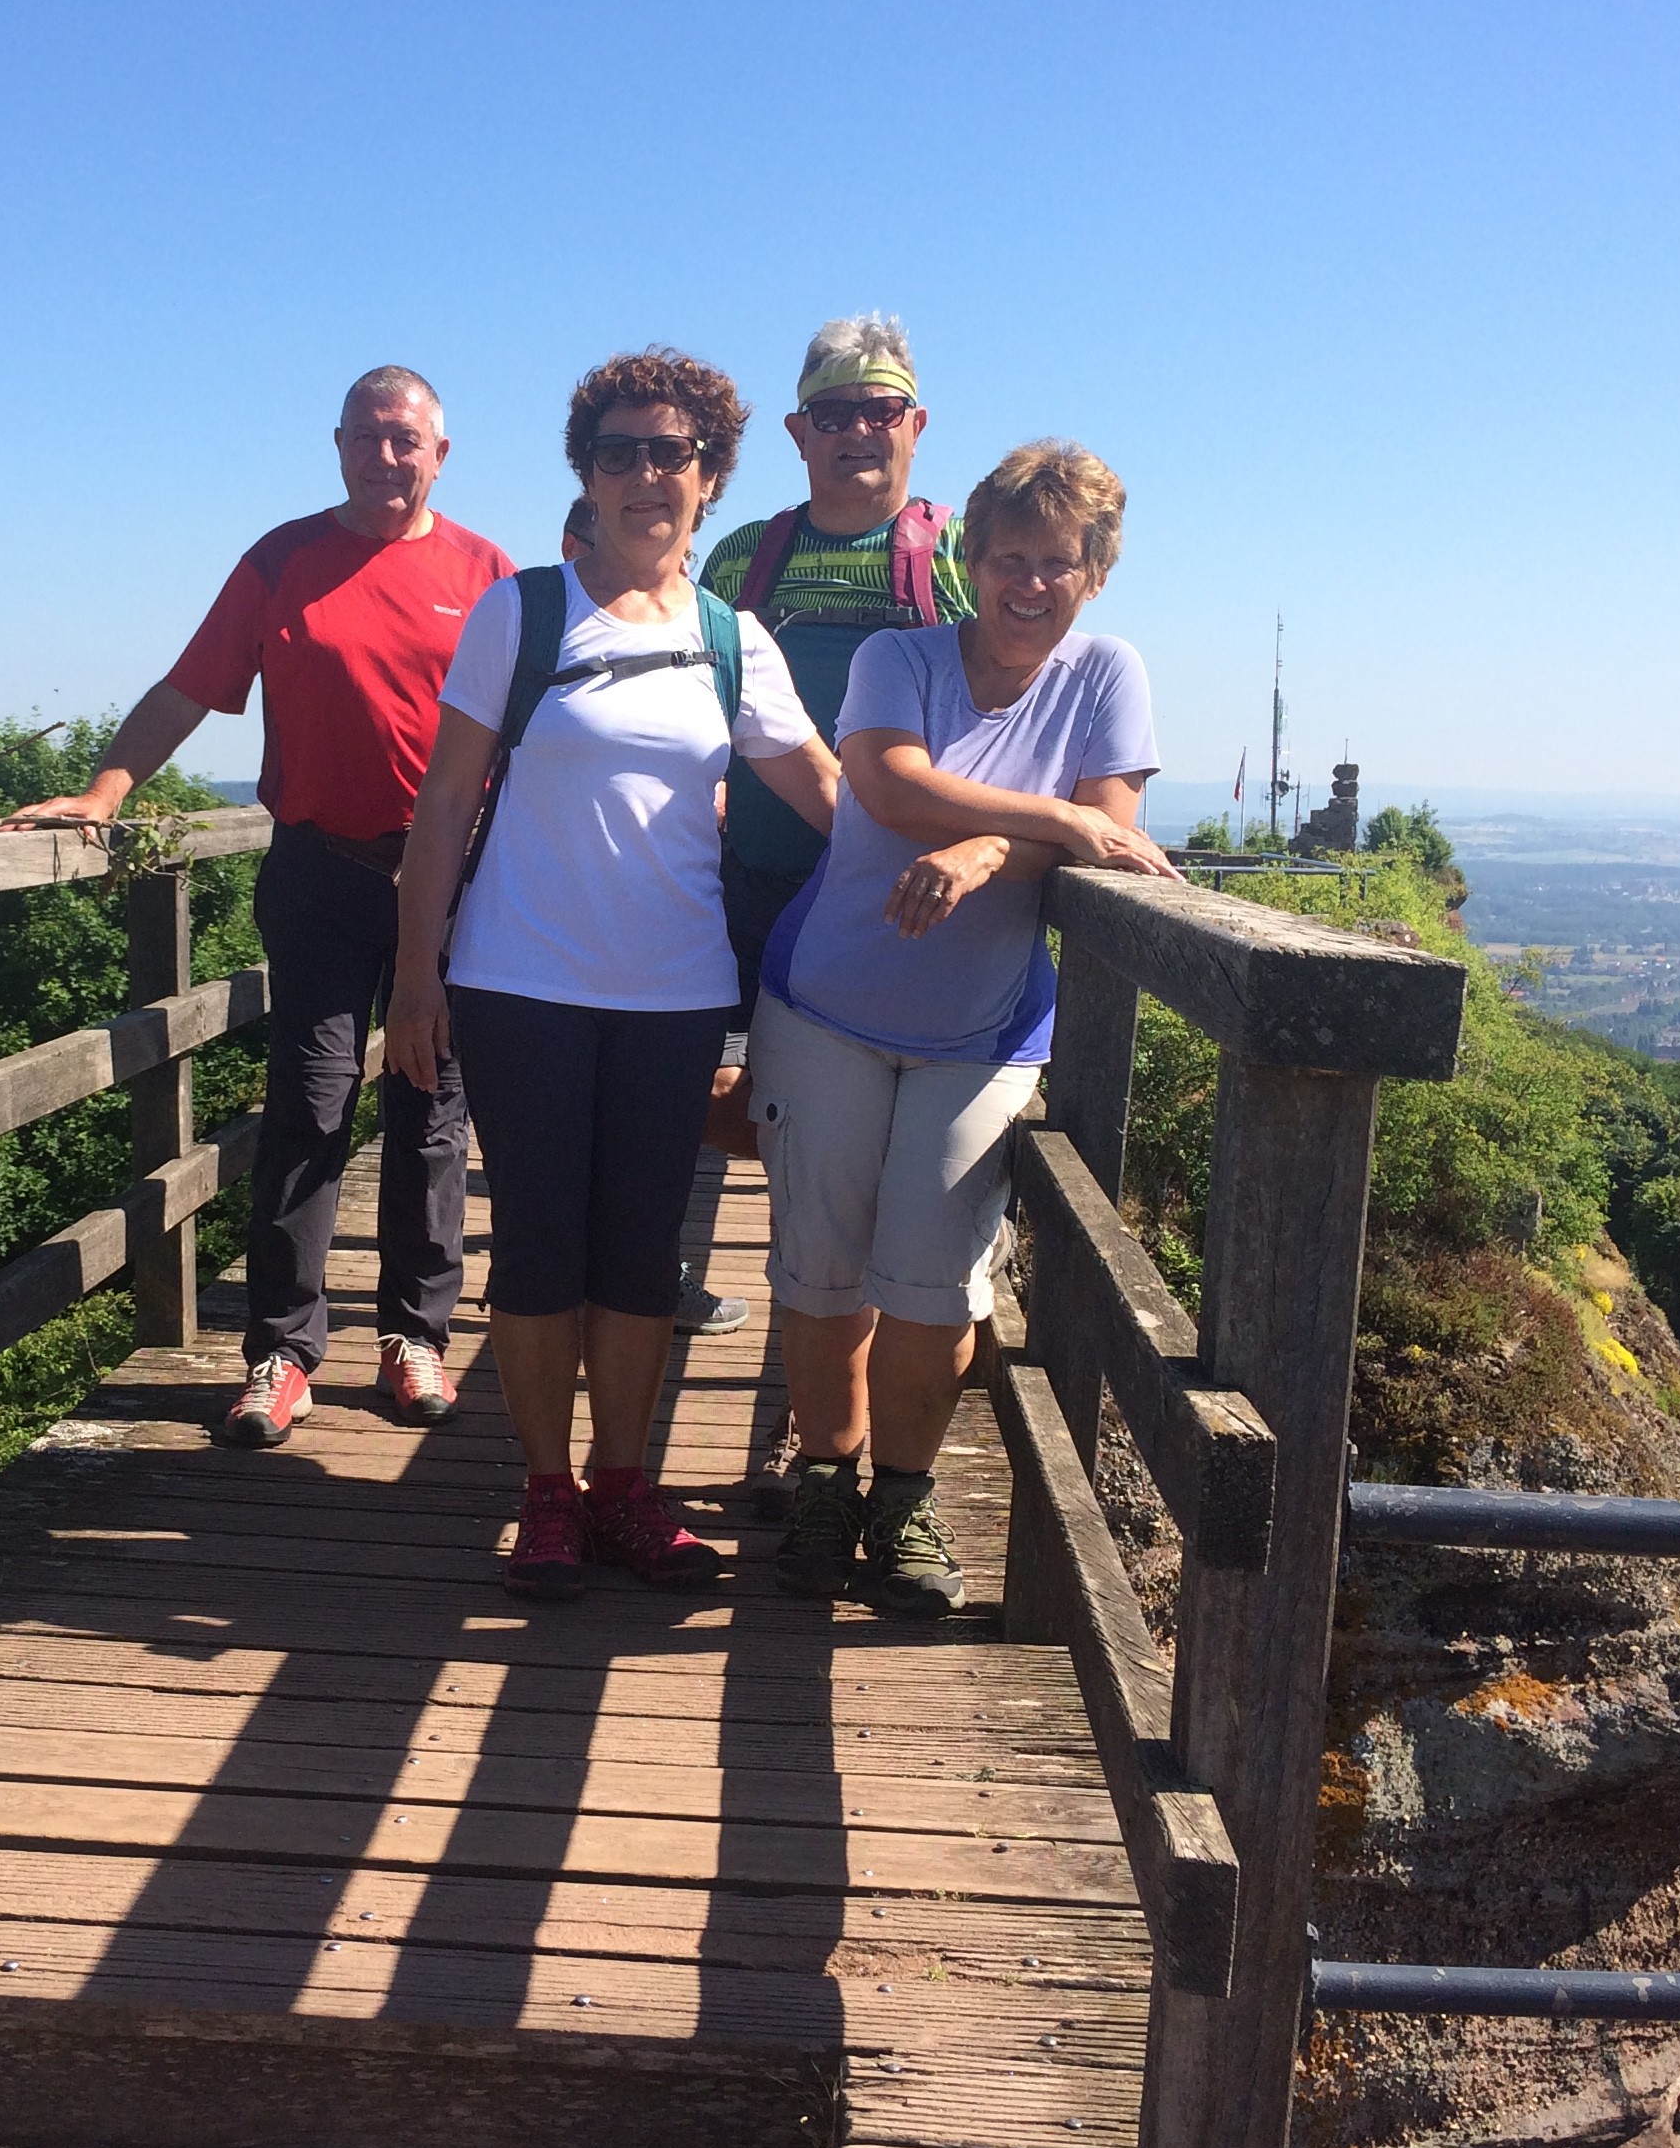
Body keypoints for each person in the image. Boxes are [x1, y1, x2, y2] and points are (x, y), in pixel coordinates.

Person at [385, 350, 838, 1601]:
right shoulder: (521, 614)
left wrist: (986, 852)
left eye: (674, 452)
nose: (649, 472)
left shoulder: (733, 643)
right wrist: (414, 981)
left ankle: (624, 1489)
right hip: (518, 981)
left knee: (637, 1255)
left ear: (711, 479)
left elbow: (837, 803)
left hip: (674, 992)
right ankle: (546, 1496)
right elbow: (441, 809)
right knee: (540, 1248)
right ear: (586, 473)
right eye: (622, 451)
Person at [4, 369, 512, 1446]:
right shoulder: (282, 561)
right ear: (338, 447)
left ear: (440, 453)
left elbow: (534, 728)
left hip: (451, 879)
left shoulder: (486, 573)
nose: (388, 457)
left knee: (432, 1110)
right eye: (369, 438)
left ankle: (414, 1334)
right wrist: (107, 790)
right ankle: (283, 1351)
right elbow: (192, 685)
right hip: (318, 868)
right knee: (311, 1102)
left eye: (407, 440)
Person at [750, 440, 1177, 1613]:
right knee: (822, 1268)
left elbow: (1114, 831)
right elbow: (887, 784)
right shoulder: (900, 656)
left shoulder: (1106, 674)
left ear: (1093, 573)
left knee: (937, 1284)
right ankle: (827, 1484)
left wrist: (989, 845)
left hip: (982, 1028)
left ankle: (902, 1497)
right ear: (970, 562)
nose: (1030, 583)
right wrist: (1041, 823)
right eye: (1007, 557)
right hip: (829, 1002)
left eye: (1058, 562)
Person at [689, 314, 975, 1366]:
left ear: (917, 423)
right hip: (747, 878)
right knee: (698, 1079)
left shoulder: (953, 555)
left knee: (868, 1129)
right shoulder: (742, 556)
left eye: (880, 409)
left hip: (890, 897)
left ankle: (845, 1334)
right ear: (798, 433)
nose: (859, 430)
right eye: (833, 413)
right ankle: (725, 1273)